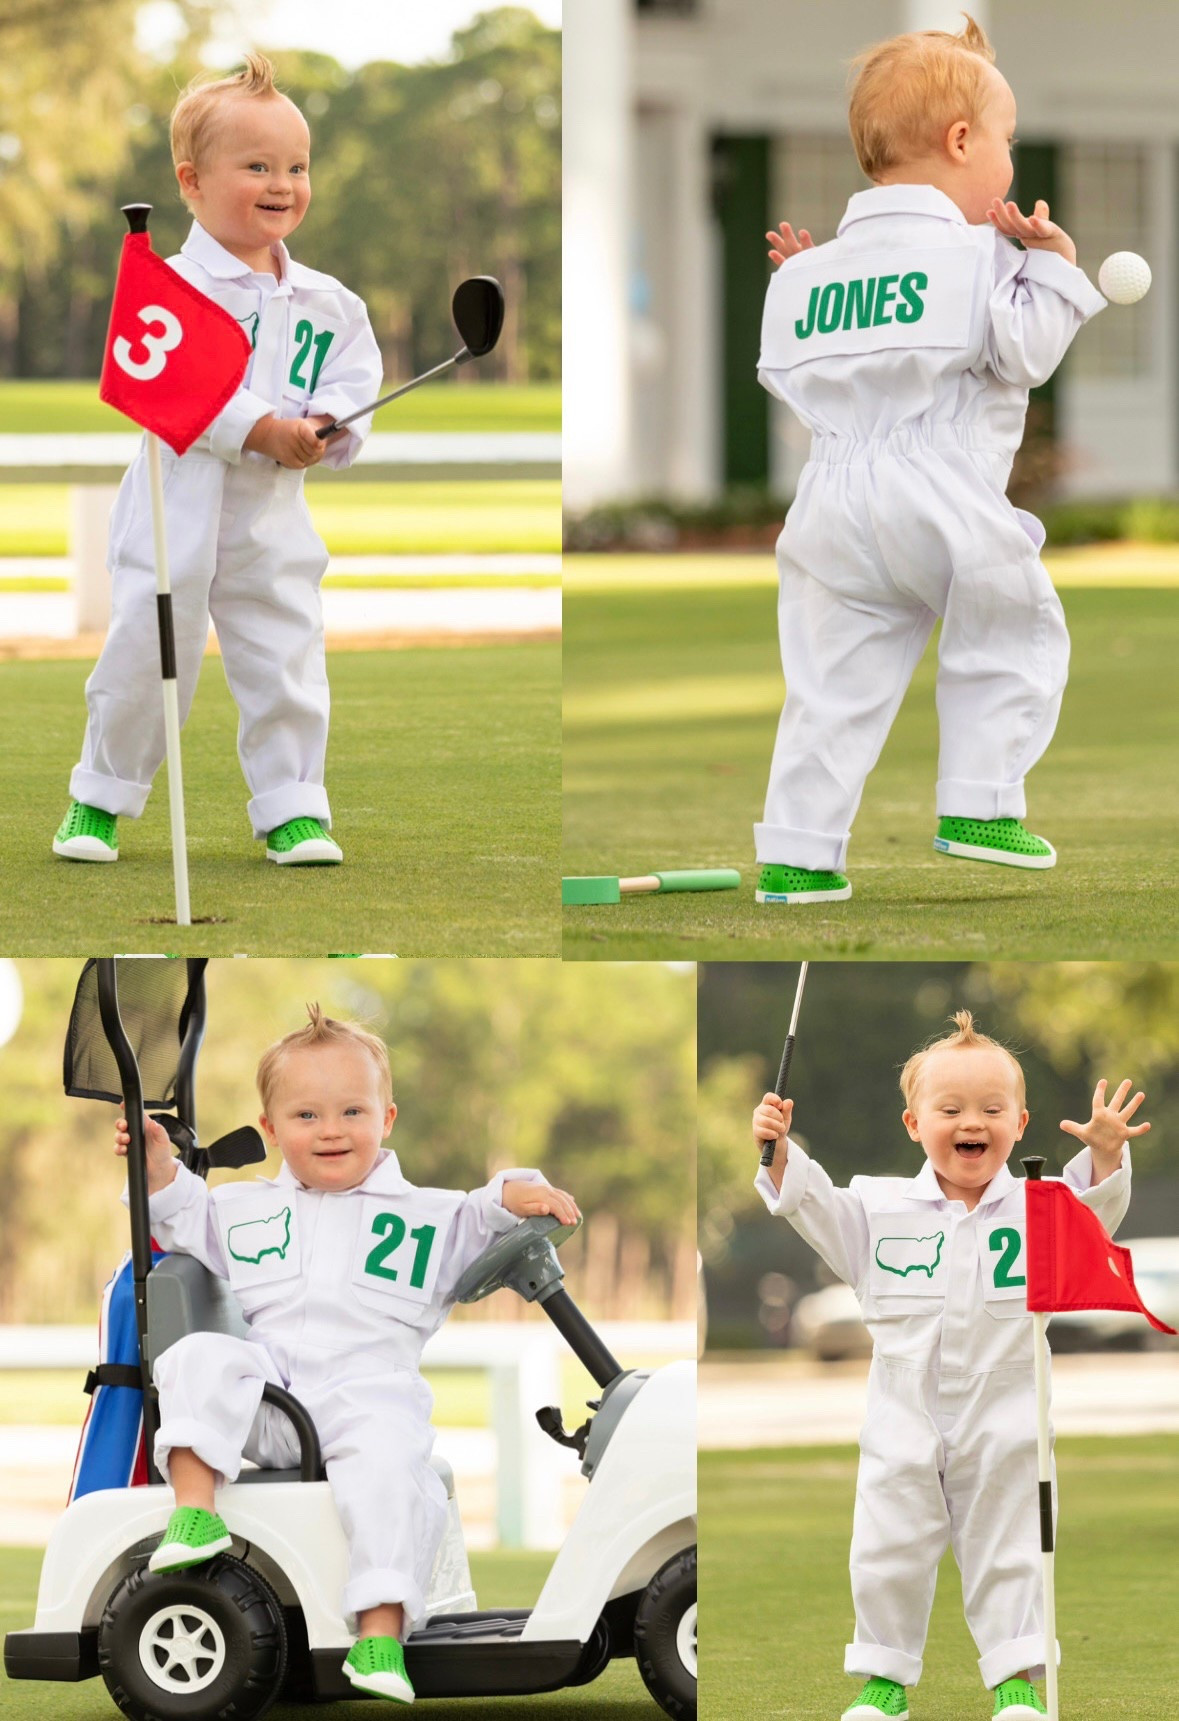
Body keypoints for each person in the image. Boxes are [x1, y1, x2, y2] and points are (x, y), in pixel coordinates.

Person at [114, 1006, 580, 1704]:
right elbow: (184, 1211)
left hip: (369, 1398)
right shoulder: (244, 1208)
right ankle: (196, 1510)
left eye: (351, 1110)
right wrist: (157, 1165)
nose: (330, 1130)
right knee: (196, 1357)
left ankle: (379, 1634)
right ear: (270, 1130)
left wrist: (516, 1189)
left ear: (386, 1118)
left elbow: (483, 1211)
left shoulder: (426, 1212)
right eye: (305, 1115)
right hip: (271, 1404)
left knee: (396, 1471)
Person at [754, 15, 1106, 906]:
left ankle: (799, 853)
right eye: (1006, 140)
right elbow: (1022, 356)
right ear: (960, 141)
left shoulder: (811, 271)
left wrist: (811, 277)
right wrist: (1053, 269)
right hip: (937, 483)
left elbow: (793, 379)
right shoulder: (981, 253)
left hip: (829, 497)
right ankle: (978, 802)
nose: (1009, 160)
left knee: (829, 680)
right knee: (1009, 620)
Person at [751, 1010, 1148, 1720]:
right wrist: (777, 1150)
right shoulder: (877, 1205)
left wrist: (1106, 1156)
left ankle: (1016, 1687)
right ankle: (884, 1685)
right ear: (913, 1123)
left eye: (992, 1108)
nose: (973, 1120)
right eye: (951, 1108)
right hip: (901, 1411)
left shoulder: (1041, 1204)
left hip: (1005, 1411)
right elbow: (808, 1205)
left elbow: (1093, 1216)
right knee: (886, 1546)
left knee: (1009, 1545)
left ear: (1020, 1122)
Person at [56, 52, 384, 868]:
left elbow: (353, 378)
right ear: (192, 181)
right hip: (178, 503)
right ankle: (99, 797)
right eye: (257, 166)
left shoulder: (328, 301)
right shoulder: (166, 288)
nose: (282, 183)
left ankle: (291, 807)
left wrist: (326, 424)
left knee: (285, 652)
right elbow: (161, 381)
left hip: (272, 513)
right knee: (145, 648)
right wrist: (260, 426)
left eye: (297, 167)